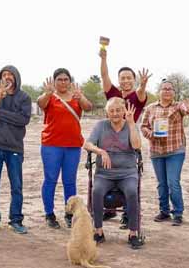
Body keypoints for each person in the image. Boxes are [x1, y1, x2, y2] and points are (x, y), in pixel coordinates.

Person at [99, 42, 149, 222]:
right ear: (119, 80)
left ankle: (128, 213)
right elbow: (104, 75)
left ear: (134, 80)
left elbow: (142, 92)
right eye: (123, 78)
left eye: (129, 78)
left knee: (129, 176)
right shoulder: (113, 94)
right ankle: (110, 207)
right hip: (110, 139)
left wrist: (143, 85)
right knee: (108, 172)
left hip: (130, 138)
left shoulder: (138, 96)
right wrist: (104, 58)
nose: (126, 80)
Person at [38, 68, 93, 229]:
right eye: (59, 79)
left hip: (73, 146)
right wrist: (47, 93)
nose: (63, 82)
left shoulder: (76, 97)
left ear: (70, 81)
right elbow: (41, 103)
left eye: (65, 79)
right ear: (54, 82)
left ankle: (70, 213)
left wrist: (81, 96)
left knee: (70, 181)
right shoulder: (50, 97)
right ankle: (49, 214)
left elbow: (88, 107)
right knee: (50, 180)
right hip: (51, 145)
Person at [85, 98, 143, 249]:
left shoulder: (131, 125)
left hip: (127, 173)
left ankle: (133, 233)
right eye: (111, 111)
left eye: (118, 110)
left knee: (131, 191)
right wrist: (101, 151)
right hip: (104, 173)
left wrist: (130, 124)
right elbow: (87, 144)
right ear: (107, 112)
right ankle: (98, 231)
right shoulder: (101, 126)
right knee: (96, 191)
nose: (115, 113)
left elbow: (137, 146)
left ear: (124, 111)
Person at [0, 65, 32, 235]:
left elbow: (23, 119)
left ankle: (16, 220)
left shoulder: (24, 97)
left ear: (16, 77)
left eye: (11, 74)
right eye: (4, 75)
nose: (8, 77)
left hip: (14, 147)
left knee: (16, 186)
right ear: (0, 78)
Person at [140, 79, 189, 225]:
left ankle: (178, 213)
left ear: (174, 92)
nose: (167, 91)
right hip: (156, 150)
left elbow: (187, 110)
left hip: (175, 149)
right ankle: (164, 211)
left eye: (170, 89)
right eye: (164, 89)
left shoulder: (178, 106)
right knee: (161, 183)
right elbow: (143, 126)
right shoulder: (150, 108)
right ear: (159, 91)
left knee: (173, 182)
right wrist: (149, 133)